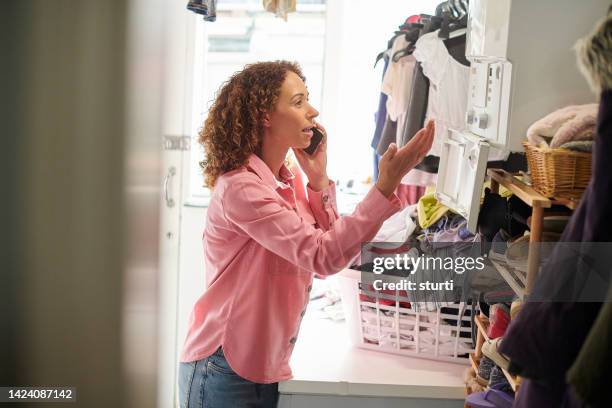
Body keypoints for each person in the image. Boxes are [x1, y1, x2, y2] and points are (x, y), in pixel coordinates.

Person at [178, 60, 434, 408]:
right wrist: (385, 186)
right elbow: (323, 256)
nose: (312, 112)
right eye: (298, 102)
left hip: (263, 363)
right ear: (265, 115)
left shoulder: (287, 180)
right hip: (224, 365)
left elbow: (335, 248)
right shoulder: (241, 189)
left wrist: (318, 178)